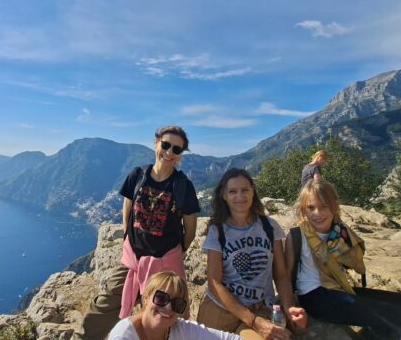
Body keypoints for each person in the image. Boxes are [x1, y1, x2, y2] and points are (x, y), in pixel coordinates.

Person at [74, 126, 201, 340]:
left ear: (180, 155)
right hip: (133, 260)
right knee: (104, 306)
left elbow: (190, 229)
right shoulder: (137, 175)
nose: (169, 152)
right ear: (156, 144)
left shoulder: (183, 186)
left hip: (165, 264)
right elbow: (127, 209)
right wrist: (128, 240)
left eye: (176, 149)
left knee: (168, 316)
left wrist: (175, 253)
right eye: (166, 145)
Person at [285, 179, 401, 340]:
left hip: (340, 289)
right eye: (311, 208)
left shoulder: (341, 232)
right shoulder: (297, 236)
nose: (317, 213)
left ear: (335, 206)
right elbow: (285, 275)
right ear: (303, 209)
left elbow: (356, 264)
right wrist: (290, 308)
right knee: (396, 315)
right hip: (315, 297)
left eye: (324, 206)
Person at [197, 168, 307, 340]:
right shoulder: (217, 231)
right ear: (223, 196)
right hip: (222, 309)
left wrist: (289, 308)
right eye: (232, 191)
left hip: (260, 307)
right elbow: (214, 283)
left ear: (253, 191)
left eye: (245, 190)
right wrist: (253, 321)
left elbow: (281, 275)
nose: (240, 196)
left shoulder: (269, 227)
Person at [108, 271, 243, 340]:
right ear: (146, 297)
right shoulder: (124, 336)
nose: (168, 307)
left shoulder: (179, 329)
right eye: (161, 298)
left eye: (177, 304)